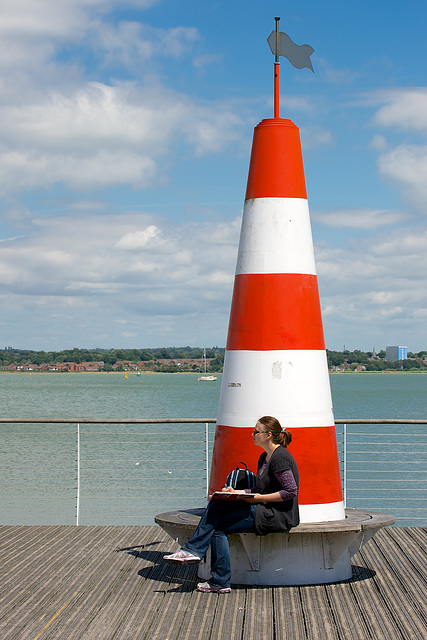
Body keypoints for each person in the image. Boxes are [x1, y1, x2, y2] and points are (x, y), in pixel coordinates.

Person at [163, 415, 299, 593]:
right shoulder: (264, 457)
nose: (252, 434)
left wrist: (258, 498)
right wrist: (237, 492)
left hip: (275, 515)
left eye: (256, 431)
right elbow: (258, 488)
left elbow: (290, 491)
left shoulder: (280, 458)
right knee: (217, 503)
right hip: (261, 508)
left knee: (218, 527)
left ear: (268, 435)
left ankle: (213, 572)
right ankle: (196, 554)